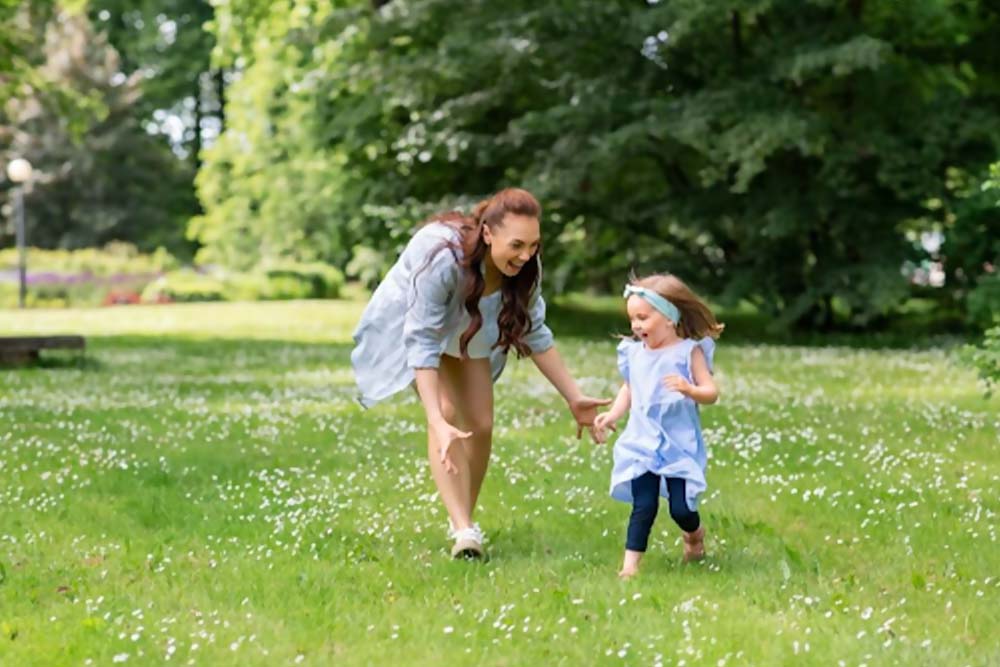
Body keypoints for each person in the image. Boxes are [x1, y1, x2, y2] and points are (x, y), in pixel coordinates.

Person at [351, 187, 609, 559]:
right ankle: (463, 530)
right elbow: (422, 338)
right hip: (423, 322)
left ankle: (464, 522)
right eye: (517, 244)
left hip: (472, 326)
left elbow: (536, 332)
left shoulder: (524, 271)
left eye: (534, 245)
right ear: (488, 233)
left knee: (481, 424)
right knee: (449, 414)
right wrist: (436, 419)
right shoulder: (442, 260)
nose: (526, 255)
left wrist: (574, 396)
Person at [592, 273, 723, 577]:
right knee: (644, 505)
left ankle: (694, 534)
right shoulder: (634, 353)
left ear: (668, 317)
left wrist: (690, 390)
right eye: (632, 319)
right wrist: (613, 414)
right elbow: (630, 387)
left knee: (681, 509)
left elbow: (711, 392)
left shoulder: (689, 351)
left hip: (678, 442)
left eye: (643, 317)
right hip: (642, 441)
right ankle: (629, 568)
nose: (636, 326)